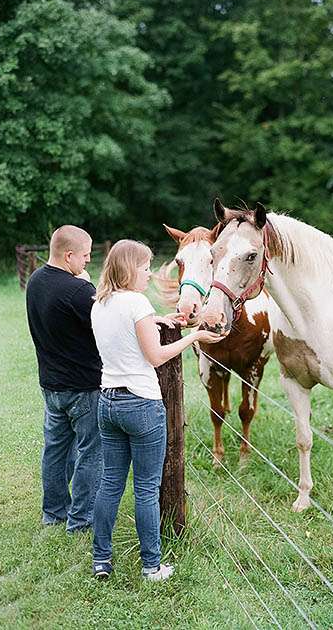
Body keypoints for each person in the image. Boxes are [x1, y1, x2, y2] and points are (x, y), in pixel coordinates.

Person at [89, 239, 225, 580]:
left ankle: (101, 560)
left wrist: (160, 320)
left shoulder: (100, 302)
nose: (150, 274)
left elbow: (129, 335)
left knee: (110, 484)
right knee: (147, 489)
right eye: (145, 267)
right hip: (141, 405)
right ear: (128, 269)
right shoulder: (136, 302)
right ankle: (152, 566)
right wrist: (195, 337)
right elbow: (156, 357)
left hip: (108, 402)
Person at [25, 225, 103, 533]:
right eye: (84, 256)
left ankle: (54, 513)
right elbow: (105, 320)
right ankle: (82, 520)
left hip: (51, 384)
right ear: (68, 255)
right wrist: (87, 284)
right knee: (90, 451)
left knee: (55, 450)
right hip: (84, 386)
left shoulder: (35, 281)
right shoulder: (78, 290)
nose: (87, 262)